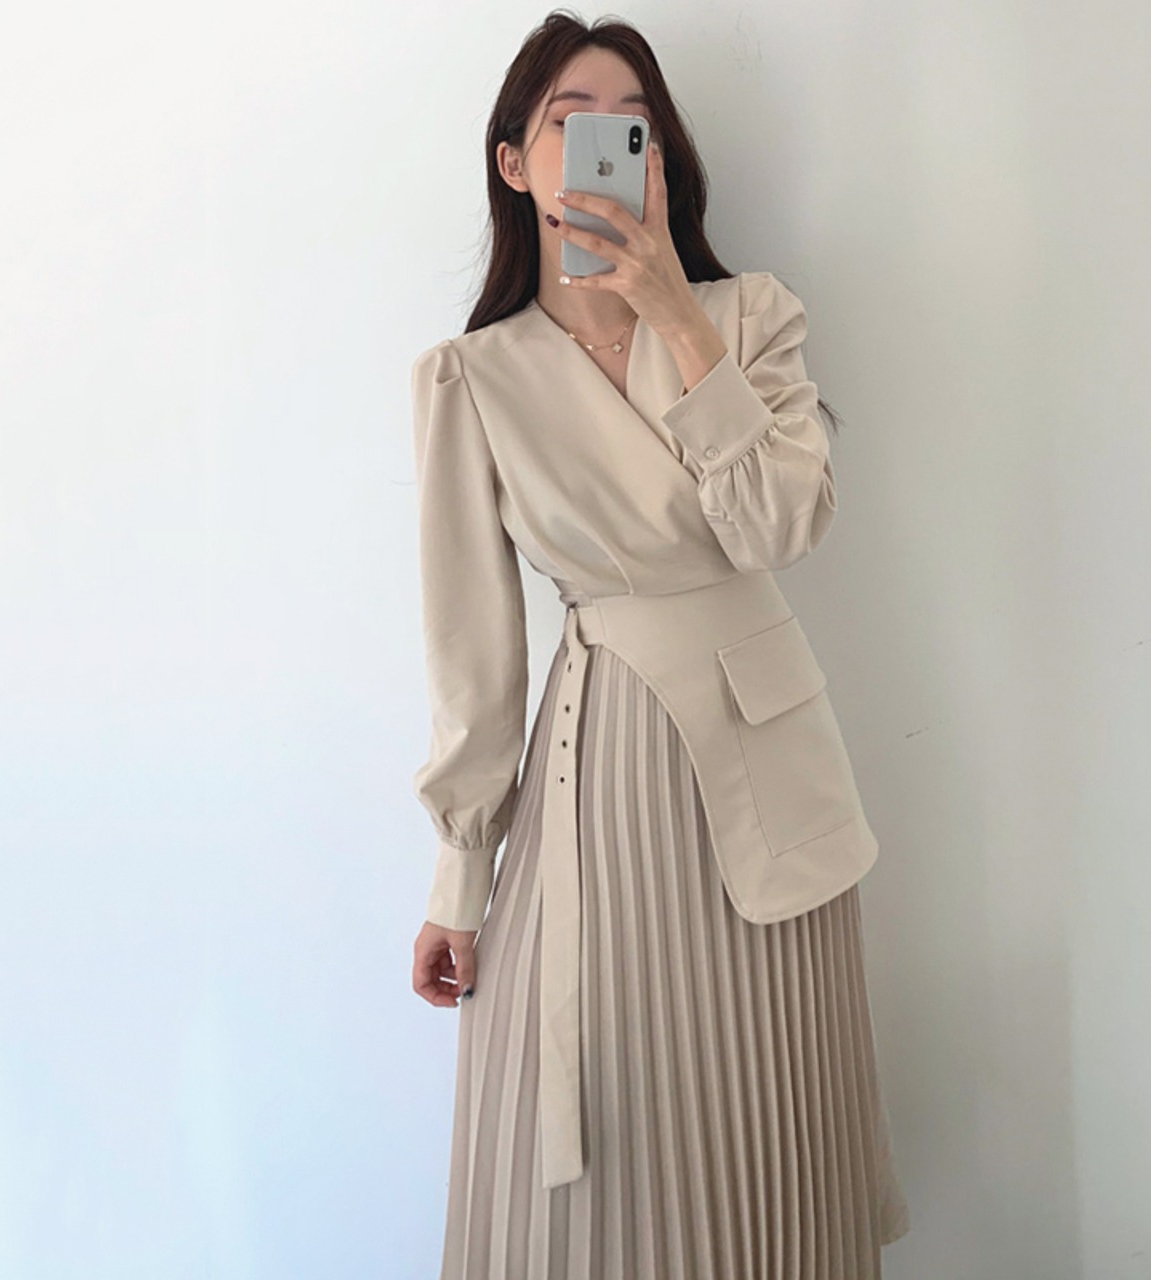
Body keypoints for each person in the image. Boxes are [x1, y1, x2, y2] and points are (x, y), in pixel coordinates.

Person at [408, 12, 911, 1278]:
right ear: (514, 161)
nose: (600, 141)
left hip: (768, 775)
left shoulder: (750, 315)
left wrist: (678, 320)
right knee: (603, 1149)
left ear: (660, 157)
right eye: (566, 119)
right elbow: (473, 655)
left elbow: (780, 524)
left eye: (627, 122)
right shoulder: (473, 378)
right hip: (603, 770)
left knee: (771, 1125)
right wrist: (459, 879)